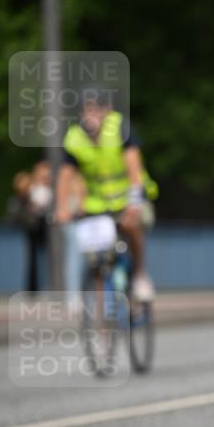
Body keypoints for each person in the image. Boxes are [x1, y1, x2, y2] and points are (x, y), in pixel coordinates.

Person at [55, 90, 157, 302]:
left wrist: (134, 202)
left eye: (94, 109)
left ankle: (140, 274)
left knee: (131, 225)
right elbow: (65, 176)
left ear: (106, 111)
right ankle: (103, 323)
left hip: (129, 199)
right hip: (98, 204)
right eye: (85, 110)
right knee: (97, 258)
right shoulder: (74, 138)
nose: (88, 115)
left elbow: (134, 169)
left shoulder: (120, 128)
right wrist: (62, 208)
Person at [7, 161, 52, 293]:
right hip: (33, 227)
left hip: (48, 227)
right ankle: (34, 287)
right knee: (33, 259)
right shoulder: (31, 189)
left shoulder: (50, 189)